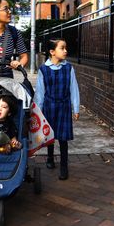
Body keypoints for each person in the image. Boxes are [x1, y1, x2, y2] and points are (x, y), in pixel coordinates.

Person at [34, 38, 80, 180]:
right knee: (50, 135)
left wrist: (76, 108)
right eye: (62, 48)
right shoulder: (43, 69)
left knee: (63, 138)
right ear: (52, 52)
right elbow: (40, 92)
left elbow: (74, 88)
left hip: (64, 106)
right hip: (49, 106)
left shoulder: (68, 68)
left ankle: (64, 166)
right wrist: (38, 111)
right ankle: (49, 158)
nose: (66, 51)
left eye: (66, 48)